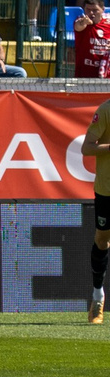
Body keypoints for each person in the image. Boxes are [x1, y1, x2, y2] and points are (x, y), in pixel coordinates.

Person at [84, 93, 110, 325]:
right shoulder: (105, 110)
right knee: (102, 240)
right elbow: (87, 148)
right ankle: (97, 297)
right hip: (107, 188)